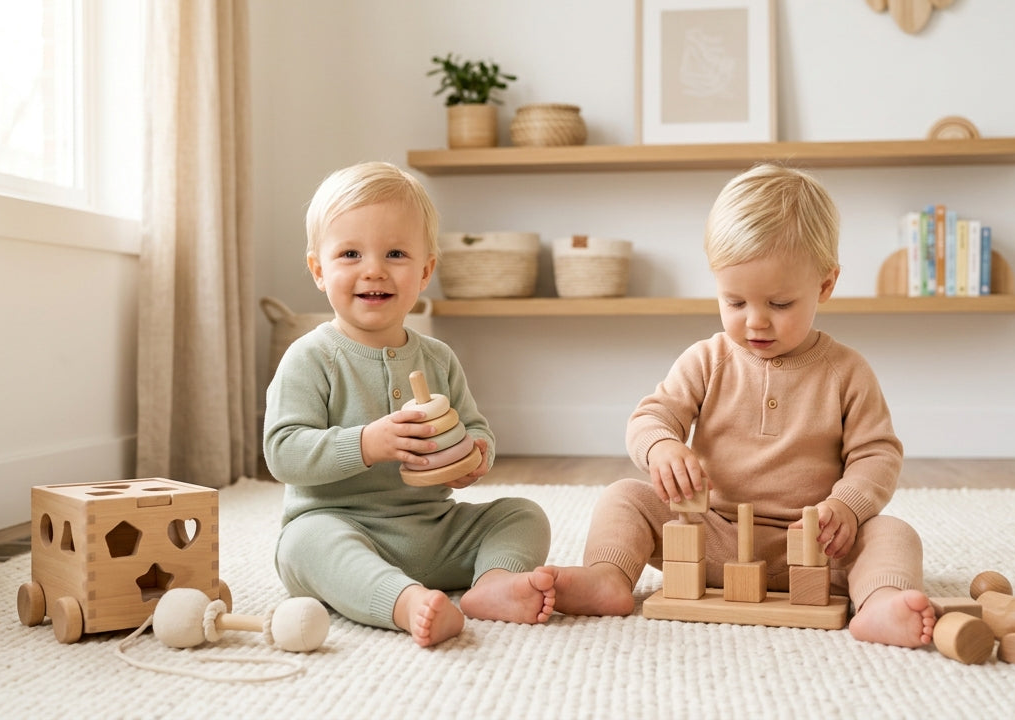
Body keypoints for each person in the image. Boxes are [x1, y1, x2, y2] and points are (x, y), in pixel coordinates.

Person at [552, 163, 935, 648]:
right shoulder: (706, 359)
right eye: (734, 302)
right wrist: (662, 449)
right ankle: (607, 578)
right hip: (710, 536)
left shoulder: (847, 371)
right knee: (624, 498)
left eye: (779, 304)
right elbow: (652, 416)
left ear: (824, 285)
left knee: (893, 534)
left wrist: (847, 507)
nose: (756, 323)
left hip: (816, 546)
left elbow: (877, 455)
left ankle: (881, 604)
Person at [264, 161, 556, 647]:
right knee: (301, 547)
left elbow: (475, 429)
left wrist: (473, 457)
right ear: (319, 270)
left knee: (523, 514)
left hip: (432, 530)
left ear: (425, 271)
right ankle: (404, 603)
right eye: (350, 253)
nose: (373, 269)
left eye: (395, 253)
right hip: (340, 526)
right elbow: (283, 452)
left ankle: (491, 586)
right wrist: (367, 443)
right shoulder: (311, 357)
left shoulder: (438, 357)